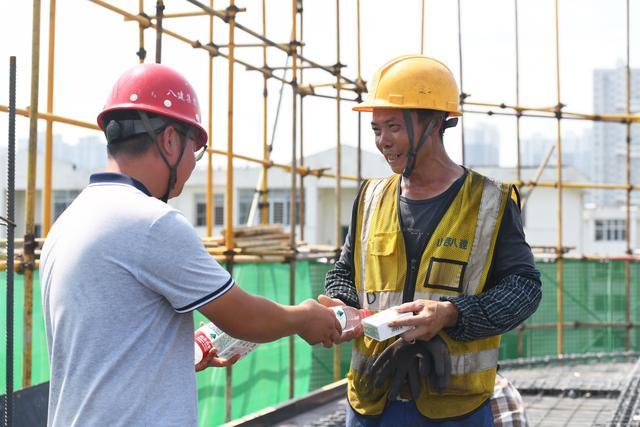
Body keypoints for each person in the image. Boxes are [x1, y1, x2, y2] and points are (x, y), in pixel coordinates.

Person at [40, 63, 342, 427]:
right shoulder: (151, 222)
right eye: (193, 151)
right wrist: (305, 317)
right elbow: (245, 318)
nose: (192, 166)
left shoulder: (69, 220)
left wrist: (176, 355)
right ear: (169, 140)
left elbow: (106, 345)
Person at [321, 55, 542, 426]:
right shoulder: (371, 197)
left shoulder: (490, 202)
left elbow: (524, 289)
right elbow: (345, 272)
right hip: (372, 401)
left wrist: (453, 314)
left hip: (455, 408)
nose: (383, 141)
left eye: (393, 126)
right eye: (376, 129)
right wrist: (343, 307)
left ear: (436, 122)